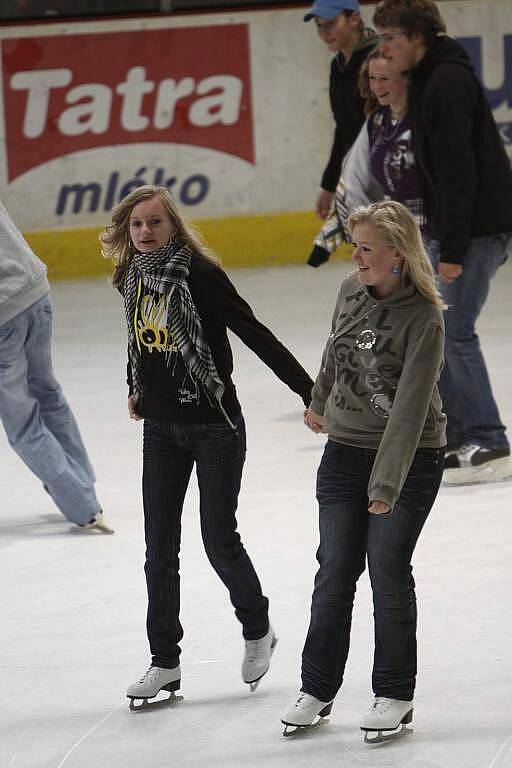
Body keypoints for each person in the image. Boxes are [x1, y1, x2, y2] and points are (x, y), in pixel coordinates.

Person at [100, 185, 314, 706]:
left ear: (174, 226)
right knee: (158, 550)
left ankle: (257, 627)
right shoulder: (133, 277)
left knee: (218, 538)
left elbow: (255, 334)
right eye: (136, 225)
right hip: (161, 429)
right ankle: (164, 662)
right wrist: (140, 389)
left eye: (155, 222)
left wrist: (311, 393)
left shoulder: (200, 275)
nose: (146, 232)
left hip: (214, 425)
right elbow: (144, 341)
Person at [281, 201, 446, 740]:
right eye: (355, 247)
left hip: (408, 458)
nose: (357, 258)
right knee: (333, 570)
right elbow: (336, 349)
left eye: (367, 249)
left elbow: (410, 408)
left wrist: (385, 484)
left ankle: (394, 693)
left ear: (399, 254)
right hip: (344, 450)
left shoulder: (423, 317)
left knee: (387, 570)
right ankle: (316, 687)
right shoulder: (350, 290)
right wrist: (319, 399)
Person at [373, 0, 512, 483]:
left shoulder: (446, 82)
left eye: (390, 38)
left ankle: (490, 439)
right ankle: (458, 436)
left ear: (418, 36)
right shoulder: (432, 77)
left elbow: (459, 172)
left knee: (455, 330)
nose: (384, 50)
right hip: (454, 228)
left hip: (474, 230)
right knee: (437, 329)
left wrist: (451, 249)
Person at [0, 199, 111, 533]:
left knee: (23, 427)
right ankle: (83, 485)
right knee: (49, 396)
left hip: (4, 315)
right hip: (36, 293)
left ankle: (83, 506)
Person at [311, 50, 423, 261]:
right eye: (372, 78)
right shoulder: (376, 123)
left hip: (436, 235)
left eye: (384, 79)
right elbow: (352, 179)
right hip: (401, 236)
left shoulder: (426, 119)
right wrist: (361, 238)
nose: (377, 86)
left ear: (406, 79)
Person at [303, 0, 377, 242]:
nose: (325, 33)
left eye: (332, 24)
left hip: (385, 171)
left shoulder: (377, 60)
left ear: (354, 19)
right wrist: (330, 185)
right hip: (361, 173)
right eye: (319, 25)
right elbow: (344, 129)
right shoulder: (338, 65)